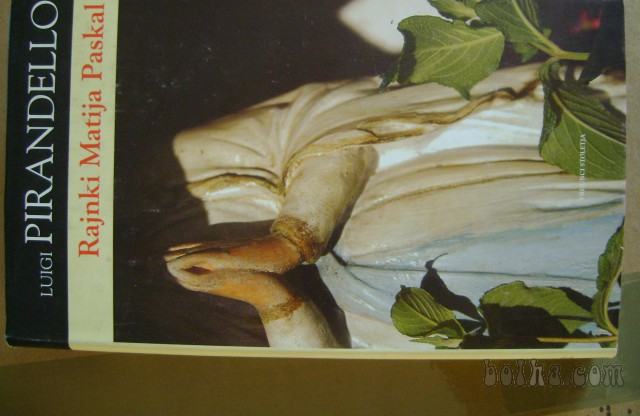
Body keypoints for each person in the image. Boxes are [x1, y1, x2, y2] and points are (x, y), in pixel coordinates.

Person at [164, 63, 625, 349]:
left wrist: (292, 240)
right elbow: (317, 388)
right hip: (392, 317)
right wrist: (269, 297)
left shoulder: (167, 171)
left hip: (437, 181)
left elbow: (325, 119)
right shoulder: (165, 342)